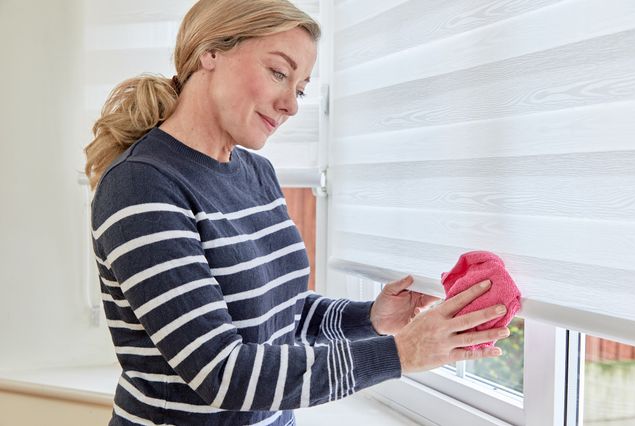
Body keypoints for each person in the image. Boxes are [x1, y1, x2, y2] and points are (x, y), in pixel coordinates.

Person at [84, 0, 510, 424]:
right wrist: (401, 354)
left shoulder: (256, 173)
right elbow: (221, 373)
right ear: (209, 52)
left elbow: (278, 314)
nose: (291, 104)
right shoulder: (142, 185)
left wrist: (370, 319)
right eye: (278, 73)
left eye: (300, 88)